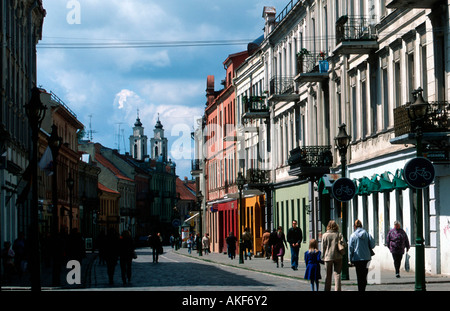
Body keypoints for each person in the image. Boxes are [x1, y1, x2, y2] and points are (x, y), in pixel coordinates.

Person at [349, 219, 375, 291]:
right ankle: (363, 287)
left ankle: (360, 289)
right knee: (365, 274)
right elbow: (372, 245)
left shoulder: (353, 235)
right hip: (366, 258)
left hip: (357, 258)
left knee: (359, 275)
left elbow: (350, 248)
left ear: (354, 226)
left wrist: (350, 258)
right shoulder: (367, 234)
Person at [321, 220, 345, 291]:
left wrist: (323, 257)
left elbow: (323, 247)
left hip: (328, 257)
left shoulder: (325, 235)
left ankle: (327, 289)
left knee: (328, 275)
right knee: (337, 274)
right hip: (338, 256)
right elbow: (344, 244)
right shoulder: (339, 234)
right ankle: (337, 289)